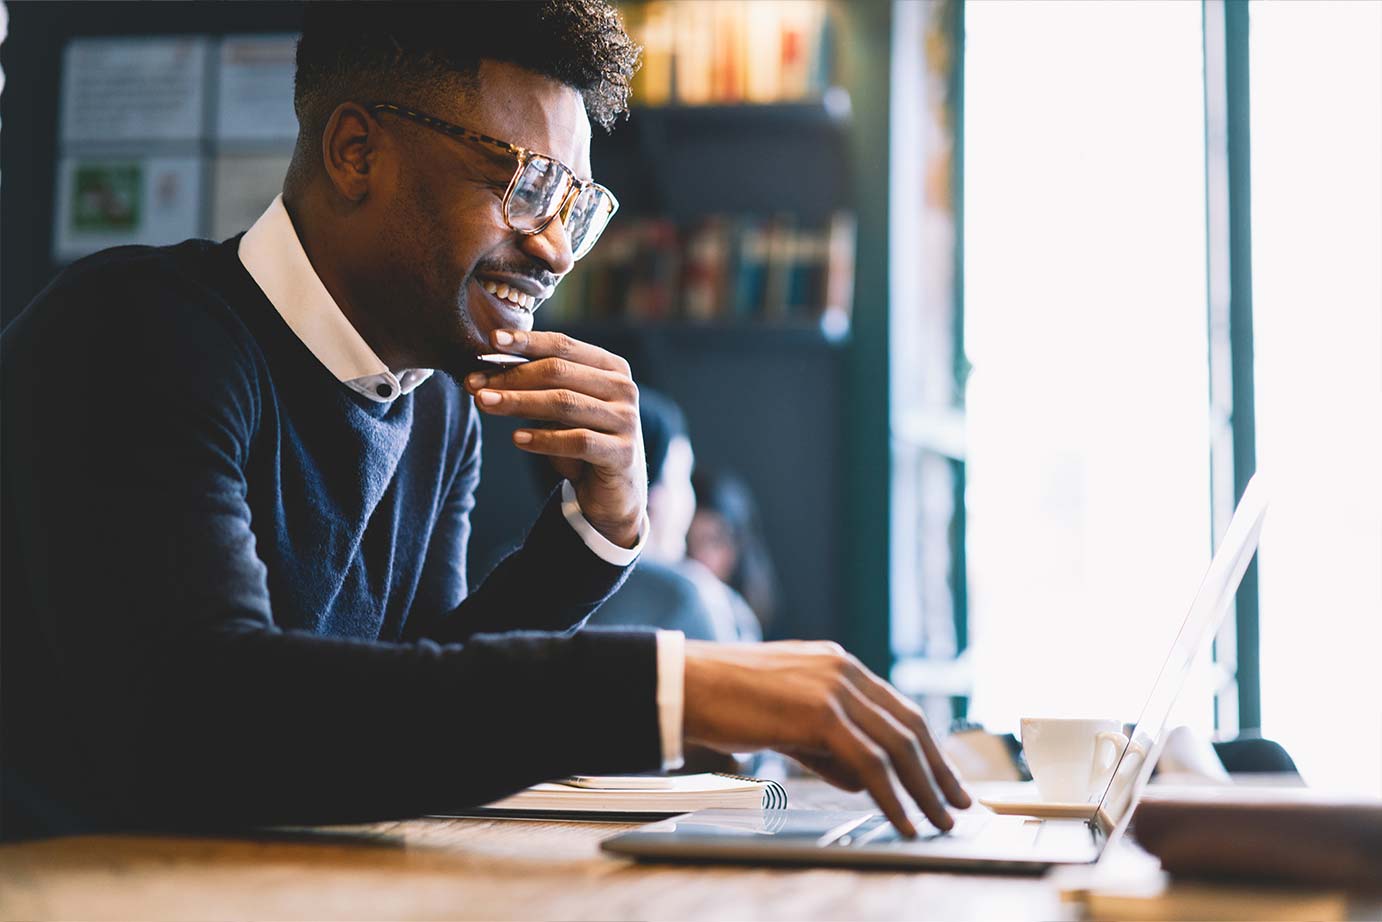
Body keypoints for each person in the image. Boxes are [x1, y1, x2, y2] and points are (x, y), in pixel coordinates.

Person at [0, 1, 968, 841]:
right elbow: (209, 722)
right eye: (524, 185)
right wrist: (677, 686)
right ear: (356, 152)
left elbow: (404, 717)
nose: (553, 248)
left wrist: (595, 538)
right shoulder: (135, 332)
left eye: (574, 205)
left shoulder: (436, 414)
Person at [584, 389, 753, 642]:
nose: (691, 501)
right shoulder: (691, 599)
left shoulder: (523, 584)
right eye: (682, 478)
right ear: (650, 496)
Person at [689, 468, 781, 632]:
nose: (699, 555)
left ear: (736, 547)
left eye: (712, 541)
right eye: (688, 539)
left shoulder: (742, 621)